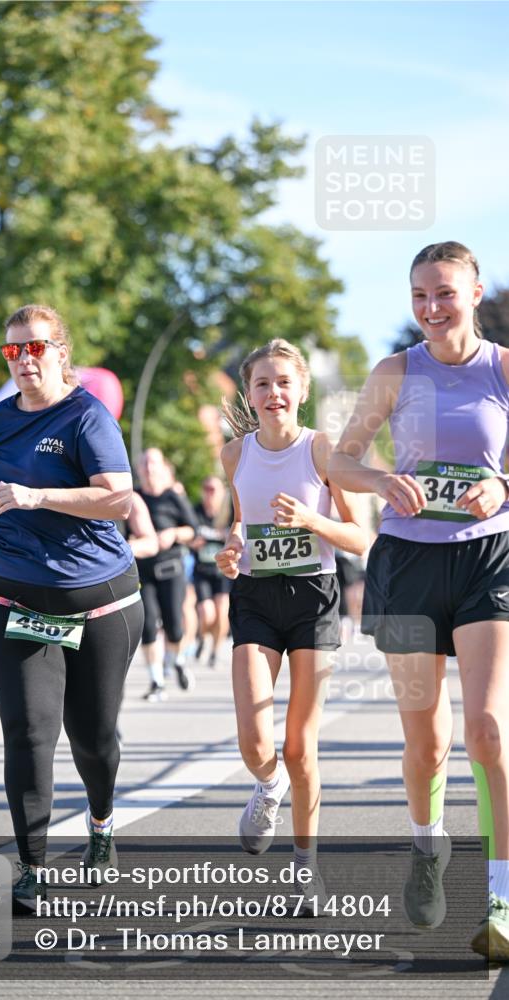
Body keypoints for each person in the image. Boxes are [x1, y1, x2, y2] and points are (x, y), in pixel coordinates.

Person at [329, 241, 509, 961]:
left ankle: (499, 895)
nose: (431, 309)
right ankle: (427, 845)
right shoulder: (394, 371)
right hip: (406, 562)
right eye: (418, 296)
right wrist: (376, 482)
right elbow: (340, 456)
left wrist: (503, 485)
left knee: (488, 729)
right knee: (425, 743)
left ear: (471, 292)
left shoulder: (501, 368)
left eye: (443, 293)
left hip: (486, 559)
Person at [0, 304, 144, 914]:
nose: (24, 359)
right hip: (13, 595)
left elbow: (120, 502)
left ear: (60, 352)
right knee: (28, 732)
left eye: (36, 347)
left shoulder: (87, 417)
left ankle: (101, 826)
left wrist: (38, 495)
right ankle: (33, 866)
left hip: (99, 603)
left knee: (93, 738)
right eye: (13, 350)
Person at [215, 339, 366, 913]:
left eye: (284, 382)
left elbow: (360, 536)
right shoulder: (234, 455)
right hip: (255, 595)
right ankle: (267, 784)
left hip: (313, 597)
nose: (273, 392)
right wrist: (231, 550)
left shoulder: (323, 451)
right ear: (249, 395)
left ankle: (306, 869)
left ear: (302, 390)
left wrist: (312, 521)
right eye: (261, 383)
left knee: (301, 747)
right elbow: (240, 524)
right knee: (256, 744)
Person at [136, 448, 198, 701]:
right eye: (145, 464)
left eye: (154, 463)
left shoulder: (173, 497)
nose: (150, 468)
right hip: (143, 570)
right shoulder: (134, 497)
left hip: (171, 568)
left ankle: (177, 661)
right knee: (148, 625)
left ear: (162, 467)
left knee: (174, 625)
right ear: (139, 469)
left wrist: (173, 534)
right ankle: (156, 680)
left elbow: (193, 531)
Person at [191, 475, 232, 669]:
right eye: (206, 488)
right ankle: (201, 637)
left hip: (223, 571)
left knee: (222, 612)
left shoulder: (229, 513)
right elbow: (188, 535)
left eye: (213, 489)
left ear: (222, 492)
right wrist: (193, 542)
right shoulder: (196, 512)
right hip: (203, 571)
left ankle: (214, 651)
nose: (209, 493)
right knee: (207, 613)